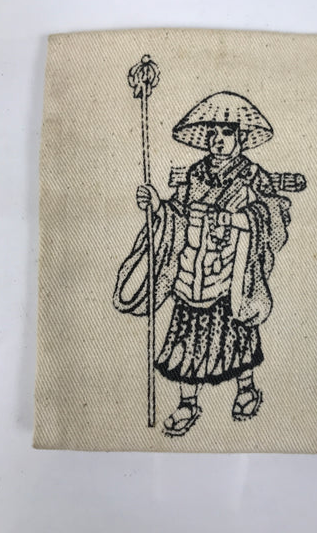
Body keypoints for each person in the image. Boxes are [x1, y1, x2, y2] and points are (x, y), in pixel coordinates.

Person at [114, 91, 291, 436]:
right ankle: (188, 403)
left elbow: (274, 212)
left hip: (230, 276)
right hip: (190, 275)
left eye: (226, 133)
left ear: (241, 137)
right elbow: (177, 214)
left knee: (237, 338)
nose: (218, 140)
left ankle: (246, 388)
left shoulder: (252, 175)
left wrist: (238, 220)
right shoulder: (194, 174)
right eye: (213, 133)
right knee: (185, 341)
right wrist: (157, 206)